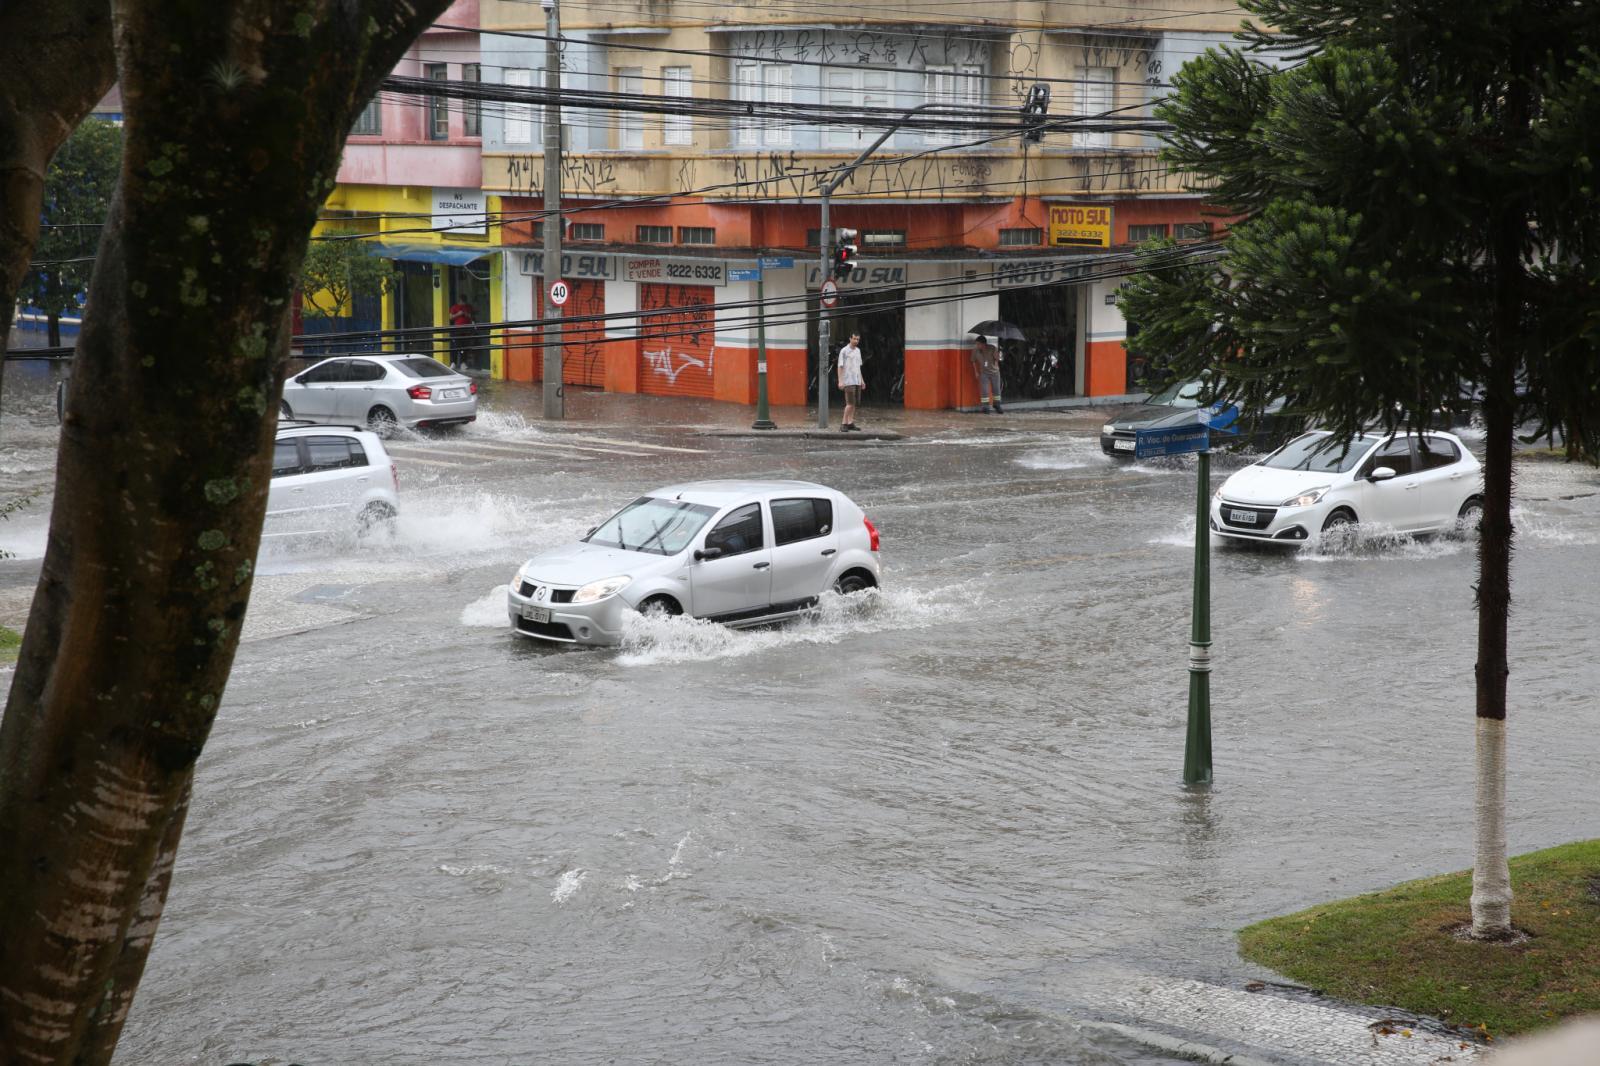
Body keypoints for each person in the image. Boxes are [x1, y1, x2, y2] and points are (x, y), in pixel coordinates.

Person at [837, 332, 864, 432]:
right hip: (848, 380)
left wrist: (862, 380)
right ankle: (843, 423)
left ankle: (850, 422)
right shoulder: (844, 351)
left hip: (857, 380)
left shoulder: (858, 351)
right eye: (854, 339)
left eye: (858, 339)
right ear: (850, 339)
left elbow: (858, 367)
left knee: (854, 403)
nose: (856, 341)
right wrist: (840, 381)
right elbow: (840, 366)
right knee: (849, 403)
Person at [971, 334, 1003, 412]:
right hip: (984, 373)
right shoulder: (975, 351)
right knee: (984, 390)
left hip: (995, 372)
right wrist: (976, 372)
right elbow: (973, 361)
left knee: (996, 390)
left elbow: (998, 359)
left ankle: (997, 405)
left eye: (978, 344)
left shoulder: (992, 348)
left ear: (983, 344)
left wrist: (998, 355)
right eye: (976, 344)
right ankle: (985, 407)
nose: (977, 345)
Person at [448, 298, 475, 370]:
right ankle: (453, 363)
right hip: (457, 330)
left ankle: (463, 363)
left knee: (465, 346)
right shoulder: (454, 307)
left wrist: (466, 314)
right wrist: (458, 314)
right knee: (456, 346)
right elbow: (450, 317)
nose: (463, 303)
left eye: (464, 302)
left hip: (466, 330)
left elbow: (472, 317)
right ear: (459, 301)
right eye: (462, 302)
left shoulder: (468, 307)